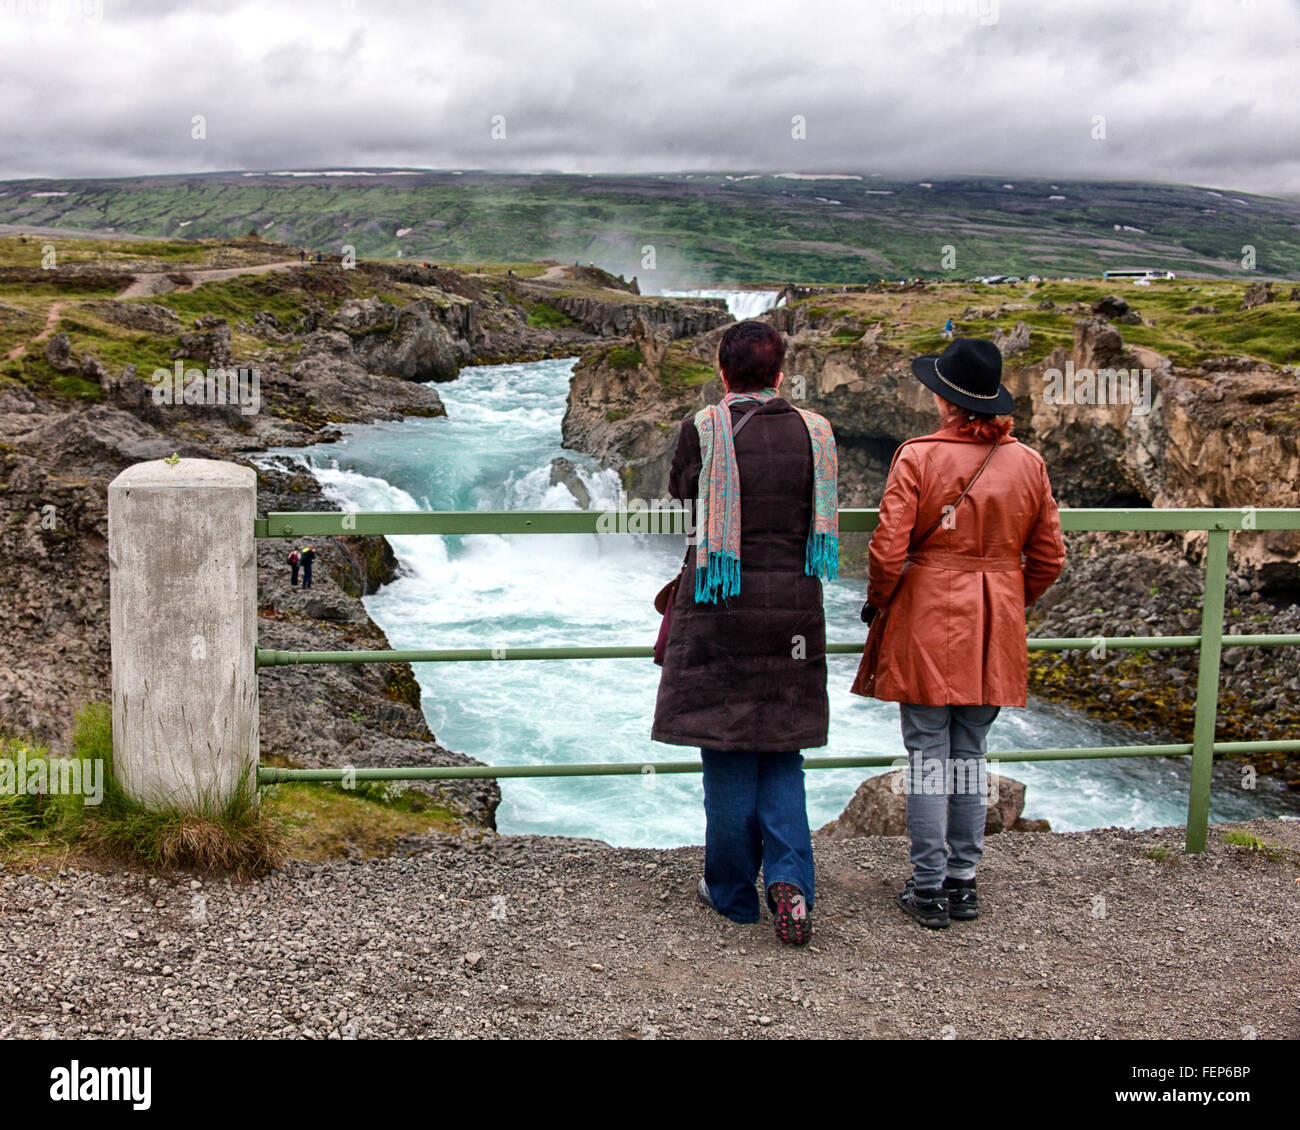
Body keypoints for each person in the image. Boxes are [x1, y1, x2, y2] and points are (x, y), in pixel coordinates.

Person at [855, 337, 1065, 929]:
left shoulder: (917, 456)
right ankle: (963, 883)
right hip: (994, 622)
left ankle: (926, 890)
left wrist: (881, 601)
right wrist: (1005, 599)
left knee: (927, 755)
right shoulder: (1028, 463)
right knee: (970, 753)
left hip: (925, 618)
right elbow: (1049, 558)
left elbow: (888, 550)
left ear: (946, 401)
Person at [653, 320, 839, 946]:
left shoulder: (703, 428)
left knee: (728, 746)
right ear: (780, 372)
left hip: (720, 603)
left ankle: (732, 896)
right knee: (783, 749)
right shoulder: (816, 432)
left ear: (723, 371)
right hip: (793, 609)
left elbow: (682, 491)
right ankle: (790, 882)